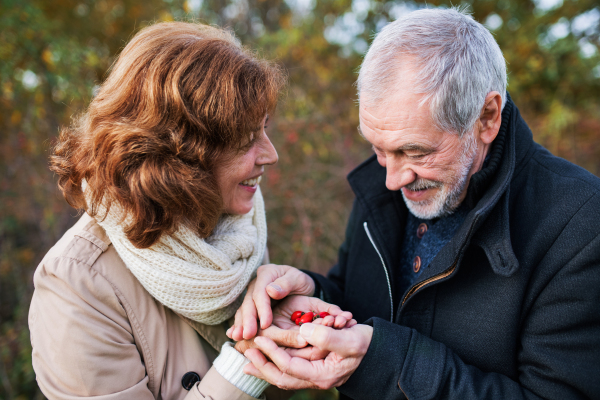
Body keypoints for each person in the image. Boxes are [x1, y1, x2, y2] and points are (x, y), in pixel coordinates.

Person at [229, 8, 600, 399]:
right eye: (378, 149)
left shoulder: (580, 225)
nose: (392, 179)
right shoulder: (387, 183)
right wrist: (313, 296)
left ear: (487, 117)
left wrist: (383, 363)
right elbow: (361, 299)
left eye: (416, 152)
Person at [29, 21, 353, 400]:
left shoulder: (239, 228)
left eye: (265, 130)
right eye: (247, 140)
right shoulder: (78, 286)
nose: (271, 154)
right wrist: (243, 366)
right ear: (178, 154)